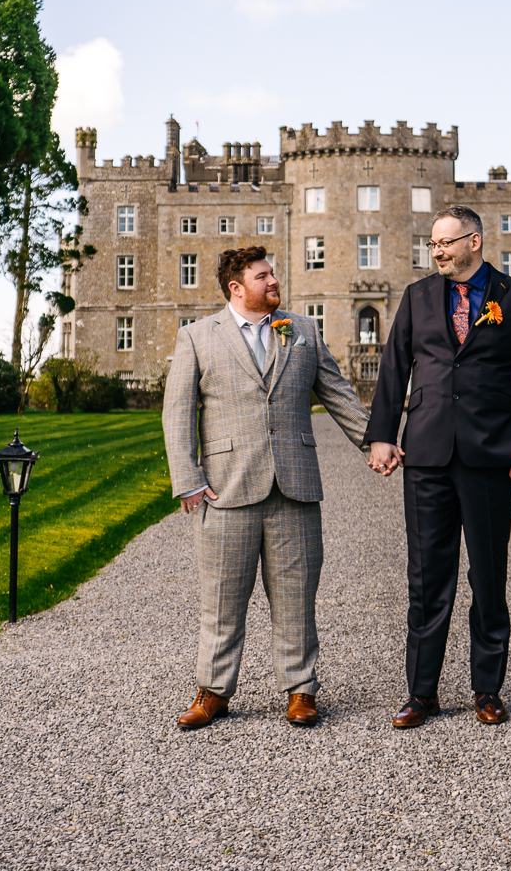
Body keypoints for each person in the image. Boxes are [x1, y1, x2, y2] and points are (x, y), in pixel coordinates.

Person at [162, 245, 372, 730]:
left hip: (295, 487)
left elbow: (338, 393)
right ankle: (213, 691)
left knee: (297, 597)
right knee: (222, 599)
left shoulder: (302, 331)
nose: (274, 281)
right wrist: (188, 479)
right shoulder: (197, 337)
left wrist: (375, 444)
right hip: (227, 489)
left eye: (274, 273)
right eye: (263, 276)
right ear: (237, 288)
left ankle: (301, 691)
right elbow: (177, 413)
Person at [362, 204, 511, 728]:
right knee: (427, 577)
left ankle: (487, 690)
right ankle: (421, 693)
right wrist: (382, 436)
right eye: (432, 244)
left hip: (492, 455)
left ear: (475, 242)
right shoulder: (418, 297)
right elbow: (395, 367)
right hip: (426, 454)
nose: (437, 251)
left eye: (446, 242)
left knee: (489, 575)